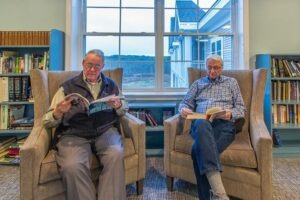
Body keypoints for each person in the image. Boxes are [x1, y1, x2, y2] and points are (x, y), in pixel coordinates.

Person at [43, 49, 127, 200]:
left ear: (103, 66)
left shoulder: (111, 85)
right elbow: (47, 120)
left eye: (97, 66)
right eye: (89, 65)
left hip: (105, 131)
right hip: (74, 134)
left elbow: (124, 109)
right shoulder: (66, 87)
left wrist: (118, 105)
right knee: (72, 165)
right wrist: (58, 112)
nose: (92, 69)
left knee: (116, 154)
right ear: (83, 64)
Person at [179, 55, 246, 200]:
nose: (212, 71)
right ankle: (220, 193)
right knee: (202, 124)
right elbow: (184, 103)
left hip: (225, 124)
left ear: (222, 68)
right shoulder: (198, 84)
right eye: (209, 67)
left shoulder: (231, 83)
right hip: (202, 123)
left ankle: (207, 197)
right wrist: (183, 109)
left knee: (199, 150)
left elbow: (241, 109)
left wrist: (229, 114)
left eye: (216, 67)